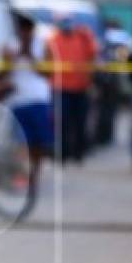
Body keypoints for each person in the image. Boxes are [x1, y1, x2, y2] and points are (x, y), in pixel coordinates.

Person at [0, 12, 54, 194]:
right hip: (18, 101)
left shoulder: (42, 46)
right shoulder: (9, 47)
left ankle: (34, 175)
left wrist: (30, 56)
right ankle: (21, 175)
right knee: (20, 142)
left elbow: (48, 73)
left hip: (39, 99)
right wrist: (14, 59)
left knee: (39, 143)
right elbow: (1, 73)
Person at [45, 14, 97, 163]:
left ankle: (78, 153)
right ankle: (63, 154)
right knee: (62, 123)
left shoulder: (82, 38)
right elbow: (47, 60)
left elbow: (92, 54)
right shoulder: (53, 40)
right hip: (60, 88)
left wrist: (86, 34)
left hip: (80, 87)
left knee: (79, 122)